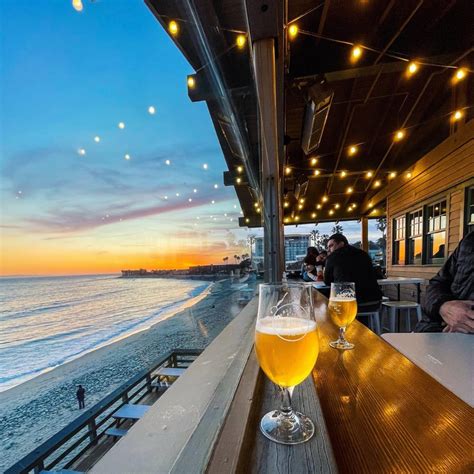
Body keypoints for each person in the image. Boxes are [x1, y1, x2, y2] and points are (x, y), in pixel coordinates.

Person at [417, 231, 474, 333]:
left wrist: (465, 320)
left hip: (462, 339)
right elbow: (437, 283)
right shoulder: (470, 241)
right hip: (436, 331)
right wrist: (443, 306)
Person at [324, 233, 382, 308]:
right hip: (374, 301)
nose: (329, 249)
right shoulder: (364, 254)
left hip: (348, 303)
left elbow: (327, 282)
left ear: (341, 243)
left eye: (331, 246)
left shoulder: (332, 257)